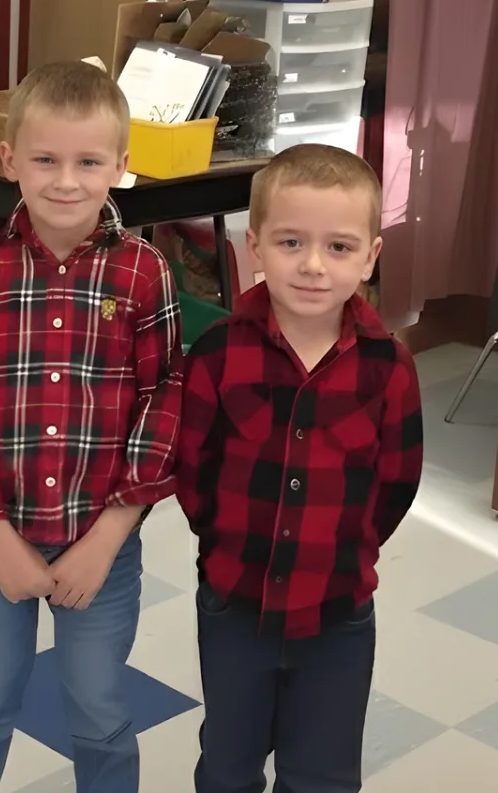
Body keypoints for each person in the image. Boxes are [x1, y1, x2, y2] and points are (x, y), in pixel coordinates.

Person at [0, 60, 184, 793]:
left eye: (88, 161)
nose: (66, 181)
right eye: (45, 159)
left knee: (100, 707)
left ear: (122, 167)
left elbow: (164, 399)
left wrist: (108, 537)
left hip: (101, 545)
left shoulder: (144, 273)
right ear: (9, 161)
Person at [175, 143, 423, 793]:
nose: (313, 266)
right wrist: (229, 545)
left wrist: (346, 550)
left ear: (371, 255)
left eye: (339, 248)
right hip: (234, 607)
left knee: (324, 776)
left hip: (337, 615)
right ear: (254, 246)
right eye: (290, 242)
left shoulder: (389, 367)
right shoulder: (217, 354)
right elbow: (192, 471)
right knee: (227, 769)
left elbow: (396, 484)